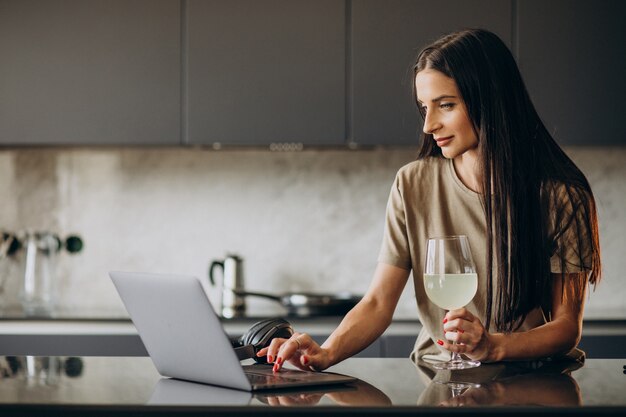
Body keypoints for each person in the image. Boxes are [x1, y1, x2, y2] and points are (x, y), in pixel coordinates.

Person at [258, 28, 601, 372]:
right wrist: (326, 353)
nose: (429, 125)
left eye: (446, 105)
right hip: (439, 377)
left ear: (491, 100)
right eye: (425, 108)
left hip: (531, 381)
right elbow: (378, 303)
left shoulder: (561, 197)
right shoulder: (413, 184)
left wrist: (492, 347)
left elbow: (566, 327)